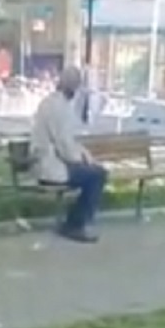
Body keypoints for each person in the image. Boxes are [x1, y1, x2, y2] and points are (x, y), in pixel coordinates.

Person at [29, 65, 107, 243]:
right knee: (98, 176)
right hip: (51, 166)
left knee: (94, 173)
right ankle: (75, 224)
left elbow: (69, 142)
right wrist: (83, 161)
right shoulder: (57, 106)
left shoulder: (54, 102)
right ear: (71, 86)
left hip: (54, 163)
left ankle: (75, 222)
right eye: (75, 85)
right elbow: (65, 145)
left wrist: (85, 158)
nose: (76, 89)